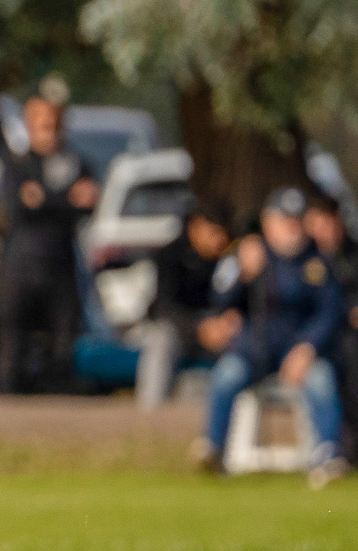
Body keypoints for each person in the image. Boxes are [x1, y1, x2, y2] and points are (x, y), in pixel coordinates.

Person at [192, 188, 346, 485]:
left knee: (322, 379)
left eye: (296, 220)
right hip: (255, 351)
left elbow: (330, 313)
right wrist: (242, 272)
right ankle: (212, 445)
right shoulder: (249, 253)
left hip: (298, 351)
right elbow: (219, 300)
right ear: (267, 222)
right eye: (284, 220)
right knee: (227, 374)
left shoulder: (317, 262)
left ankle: (328, 453)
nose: (292, 228)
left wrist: (308, 347)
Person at [0, 95, 98, 393]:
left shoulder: (76, 161)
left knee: (63, 347)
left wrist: (45, 199)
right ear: (29, 126)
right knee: (13, 347)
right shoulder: (17, 163)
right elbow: (19, 205)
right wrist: (67, 198)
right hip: (20, 267)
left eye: (54, 126)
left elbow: (88, 203)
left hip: (61, 265)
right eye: (42, 126)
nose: (49, 133)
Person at [303, 196, 358, 468]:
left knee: (351, 357)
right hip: (320, 342)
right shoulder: (305, 260)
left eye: (326, 224)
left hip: (354, 344)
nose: (321, 232)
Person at [135, 200, 233, 408]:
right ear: (195, 227)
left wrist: (224, 323)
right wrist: (198, 328)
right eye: (214, 232)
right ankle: (149, 413)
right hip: (179, 328)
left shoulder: (230, 259)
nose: (220, 240)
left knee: (240, 342)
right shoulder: (171, 254)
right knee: (161, 339)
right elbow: (164, 307)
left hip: (214, 331)